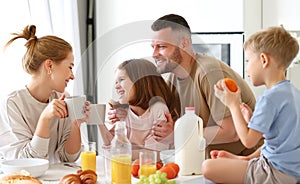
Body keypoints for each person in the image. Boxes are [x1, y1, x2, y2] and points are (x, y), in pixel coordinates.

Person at [148, 14, 262, 157]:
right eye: (153, 47)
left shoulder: (209, 72)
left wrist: (176, 135)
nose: (154, 54)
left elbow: (231, 132)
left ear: (183, 44)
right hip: (206, 161)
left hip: (246, 161)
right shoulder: (172, 79)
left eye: (162, 47)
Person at [202, 26, 300, 183]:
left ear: (263, 60)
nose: (246, 68)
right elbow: (276, 140)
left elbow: (248, 141)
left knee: (208, 167)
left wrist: (233, 105)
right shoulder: (293, 93)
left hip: (274, 172)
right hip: (292, 171)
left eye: (248, 61)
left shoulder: (269, 98)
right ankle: (245, 160)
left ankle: (246, 162)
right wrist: (250, 122)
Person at [0, 25, 90, 163]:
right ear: (49, 65)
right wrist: (45, 118)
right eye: (70, 67)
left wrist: (75, 124)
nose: (72, 76)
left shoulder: (62, 97)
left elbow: (68, 157)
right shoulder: (12, 103)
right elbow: (27, 162)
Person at [99, 58, 180, 159]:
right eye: (116, 82)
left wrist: (119, 153)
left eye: (122, 80)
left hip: (153, 170)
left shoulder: (158, 109)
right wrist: (99, 121)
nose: (116, 86)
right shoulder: (124, 112)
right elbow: (112, 144)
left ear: (140, 81)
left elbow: (154, 154)